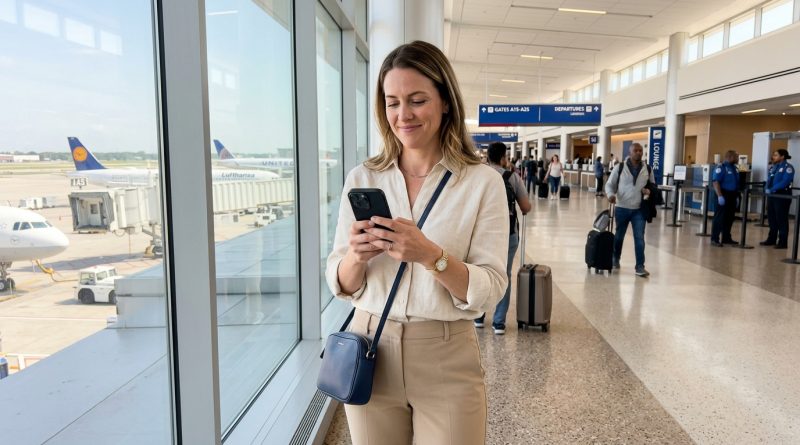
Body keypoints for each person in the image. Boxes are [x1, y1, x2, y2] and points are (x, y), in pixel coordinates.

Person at [325, 40, 508, 444]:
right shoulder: (364, 178)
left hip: (446, 354)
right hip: (370, 346)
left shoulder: (482, 183)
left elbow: (491, 287)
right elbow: (340, 280)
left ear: (445, 102)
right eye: (392, 102)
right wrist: (357, 256)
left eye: (417, 100)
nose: (402, 115)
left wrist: (431, 256)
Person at [474, 142, 531, 334]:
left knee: (479, 272)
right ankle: (498, 322)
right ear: (503, 157)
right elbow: (525, 207)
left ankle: (478, 316)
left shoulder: (478, 175)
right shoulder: (511, 177)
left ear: (487, 156)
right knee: (503, 275)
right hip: (508, 235)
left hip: (480, 235)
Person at [605, 142, 653, 277]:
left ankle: (640, 266)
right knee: (619, 236)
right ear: (629, 153)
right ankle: (615, 258)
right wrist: (610, 195)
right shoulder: (619, 167)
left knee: (639, 238)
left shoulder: (647, 169)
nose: (638, 152)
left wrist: (649, 191)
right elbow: (609, 184)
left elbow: (653, 186)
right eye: (635, 150)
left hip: (639, 209)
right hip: (622, 208)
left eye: (640, 150)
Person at [761, 149, 795, 249]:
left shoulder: (788, 168)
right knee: (772, 218)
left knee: (781, 219)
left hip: (782, 195)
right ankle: (771, 239)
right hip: (772, 195)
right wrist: (766, 188)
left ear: (782, 156)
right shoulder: (773, 167)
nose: (773, 157)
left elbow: (785, 181)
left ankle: (782, 242)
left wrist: (772, 189)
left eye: (776, 155)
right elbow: (769, 179)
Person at [710, 150, 740, 247]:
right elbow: (715, 182)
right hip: (723, 194)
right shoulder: (721, 167)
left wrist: (736, 196)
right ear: (730, 157)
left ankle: (726, 238)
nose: (737, 159)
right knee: (719, 217)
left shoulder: (734, 168)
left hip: (732, 195)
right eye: (736, 157)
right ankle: (715, 239)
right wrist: (720, 196)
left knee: (729, 217)